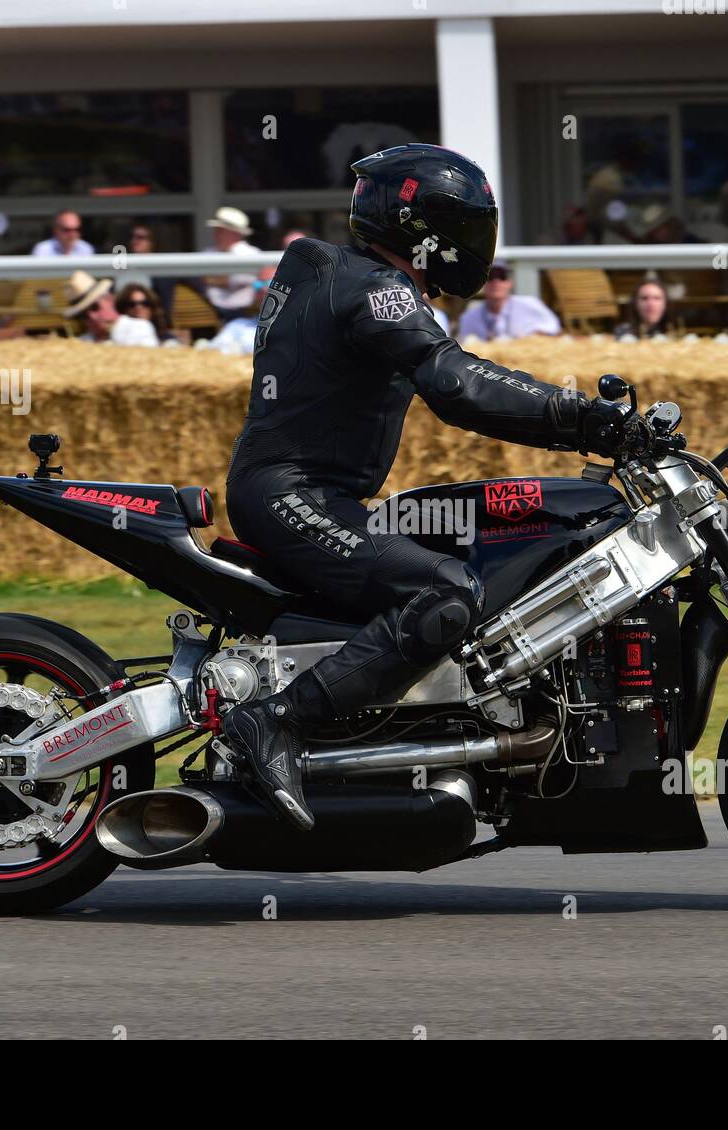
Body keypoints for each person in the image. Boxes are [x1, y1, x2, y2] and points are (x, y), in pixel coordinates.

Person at [221, 143, 632, 830]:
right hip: (292, 494)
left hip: (310, 493)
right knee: (443, 592)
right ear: (422, 227)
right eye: (468, 227)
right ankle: (276, 721)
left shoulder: (343, 275)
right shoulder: (375, 289)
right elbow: (455, 382)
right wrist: (584, 418)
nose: (477, 244)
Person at [456, 260, 560, 341]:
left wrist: (530, 338)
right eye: (490, 277)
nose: (496, 282)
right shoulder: (469, 317)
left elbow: (554, 330)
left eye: (502, 276)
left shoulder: (530, 304)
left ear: (510, 283)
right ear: (482, 285)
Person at [63, 270, 158, 346]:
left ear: (109, 299)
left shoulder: (139, 327)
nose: (92, 317)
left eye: (94, 307)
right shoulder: (82, 343)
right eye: (83, 315)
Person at [203, 206, 261, 322]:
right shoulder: (208, 253)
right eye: (216, 230)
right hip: (208, 312)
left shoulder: (252, 254)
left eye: (220, 230)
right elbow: (201, 279)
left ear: (234, 233)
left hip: (243, 312)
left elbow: (241, 280)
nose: (216, 234)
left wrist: (217, 280)